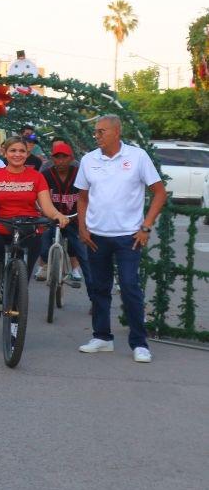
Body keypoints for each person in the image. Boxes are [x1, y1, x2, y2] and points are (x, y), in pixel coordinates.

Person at [75, 115, 166, 362]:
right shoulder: (89, 160)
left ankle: (140, 343)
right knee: (99, 288)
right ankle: (102, 337)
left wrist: (146, 227)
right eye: (95, 131)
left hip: (129, 236)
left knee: (129, 286)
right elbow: (82, 197)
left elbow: (159, 193)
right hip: (96, 236)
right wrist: (82, 227)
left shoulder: (137, 157)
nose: (97, 135)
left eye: (101, 131)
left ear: (117, 132)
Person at [0, 137, 71, 333]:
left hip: (29, 231)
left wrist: (57, 215)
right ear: (5, 153)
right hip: (3, 229)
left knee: (20, 285)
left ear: (27, 154)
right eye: (13, 150)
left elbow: (46, 206)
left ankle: (15, 328)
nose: (17, 154)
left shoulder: (36, 177)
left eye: (22, 151)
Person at [40, 141, 88, 289]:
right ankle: (46, 266)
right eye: (57, 157)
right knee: (43, 247)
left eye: (64, 157)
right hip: (52, 219)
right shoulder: (46, 175)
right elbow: (39, 196)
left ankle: (80, 273)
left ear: (71, 158)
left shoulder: (79, 174)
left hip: (73, 218)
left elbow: (86, 196)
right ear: (52, 159)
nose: (60, 161)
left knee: (80, 250)